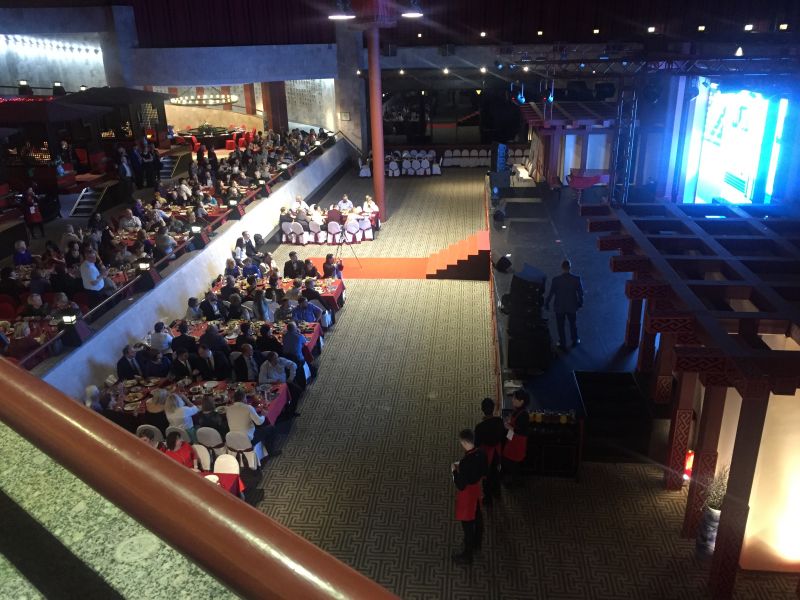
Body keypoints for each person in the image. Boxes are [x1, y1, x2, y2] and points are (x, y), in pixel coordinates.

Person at [451, 428, 487, 565]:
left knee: (467, 524)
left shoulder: (466, 463)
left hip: (467, 495)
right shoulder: (482, 453)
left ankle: (467, 555)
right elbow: (484, 471)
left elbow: (460, 485)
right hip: (476, 490)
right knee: (477, 516)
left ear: (465, 443)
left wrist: (454, 472)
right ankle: (477, 542)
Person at [225, 389, 280, 459]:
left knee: (254, 427)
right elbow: (259, 422)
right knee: (271, 428)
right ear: (243, 398)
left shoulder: (228, 409)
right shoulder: (248, 407)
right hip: (248, 440)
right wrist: (263, 415)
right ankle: (271, 452)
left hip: (233, 439)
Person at [544, 259, 584, 349]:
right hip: (572, 306)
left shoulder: (556, 280)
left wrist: (547, 303)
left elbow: (551, 293)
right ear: (570, 267)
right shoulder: (576, 279)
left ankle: (562, 342)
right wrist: (580, 302)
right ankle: (574, 340)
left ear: (562, 267)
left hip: (559, 306)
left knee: (560, 326)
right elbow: (580, 293)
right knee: (573, 324)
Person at [474, 398, 505, 505]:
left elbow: (477, 443)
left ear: (482, 409)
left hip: (486, 455)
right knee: (496, 472)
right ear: (493, 408)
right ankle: (497, 492)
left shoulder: (480, 427)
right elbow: (503, 436)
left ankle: (488, 499)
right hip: (497, 452)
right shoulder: (499, 421)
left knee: (486, 477)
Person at [502, 389, 530, 487]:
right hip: (512, 439)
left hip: (517, 442)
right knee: (509, 460)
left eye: (515, 398)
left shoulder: (524, 415)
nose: (512, 400)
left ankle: (515, 482)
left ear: (521, 401)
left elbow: (521, 431)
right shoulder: (518, 410)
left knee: (512, 462)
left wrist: (509, 427)